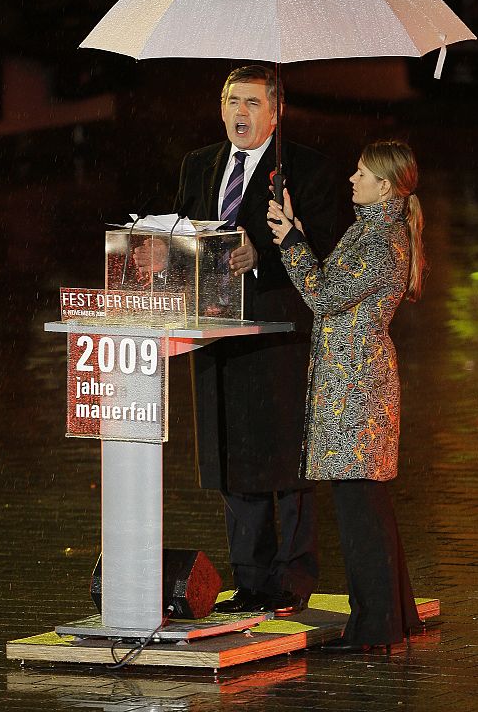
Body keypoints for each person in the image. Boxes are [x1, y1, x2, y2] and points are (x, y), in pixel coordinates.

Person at [174, 64, 337, 615]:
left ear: (276, 111)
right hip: (217, 336)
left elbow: (325, 254)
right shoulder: (198, 165)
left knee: (285, 464)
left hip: (279, 339)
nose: (239, 113)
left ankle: (291, 581)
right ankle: (250, 578)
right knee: (231, 459)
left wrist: (262, 258)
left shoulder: (305, 170)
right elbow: (183, 239)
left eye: (251, 103)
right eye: (231, 101)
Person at [267, 140, 425, 648]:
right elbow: (334, 282)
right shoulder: (372, 231)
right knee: (365, 503)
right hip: (351, 382)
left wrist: (291, 243)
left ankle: (375, 627)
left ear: (386, 185)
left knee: (361, 508)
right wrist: (299, 233)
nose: (351, 179)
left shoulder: (382, 241)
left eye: (361, 173)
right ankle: (393, 619)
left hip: (357, 387)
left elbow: (324, 295)